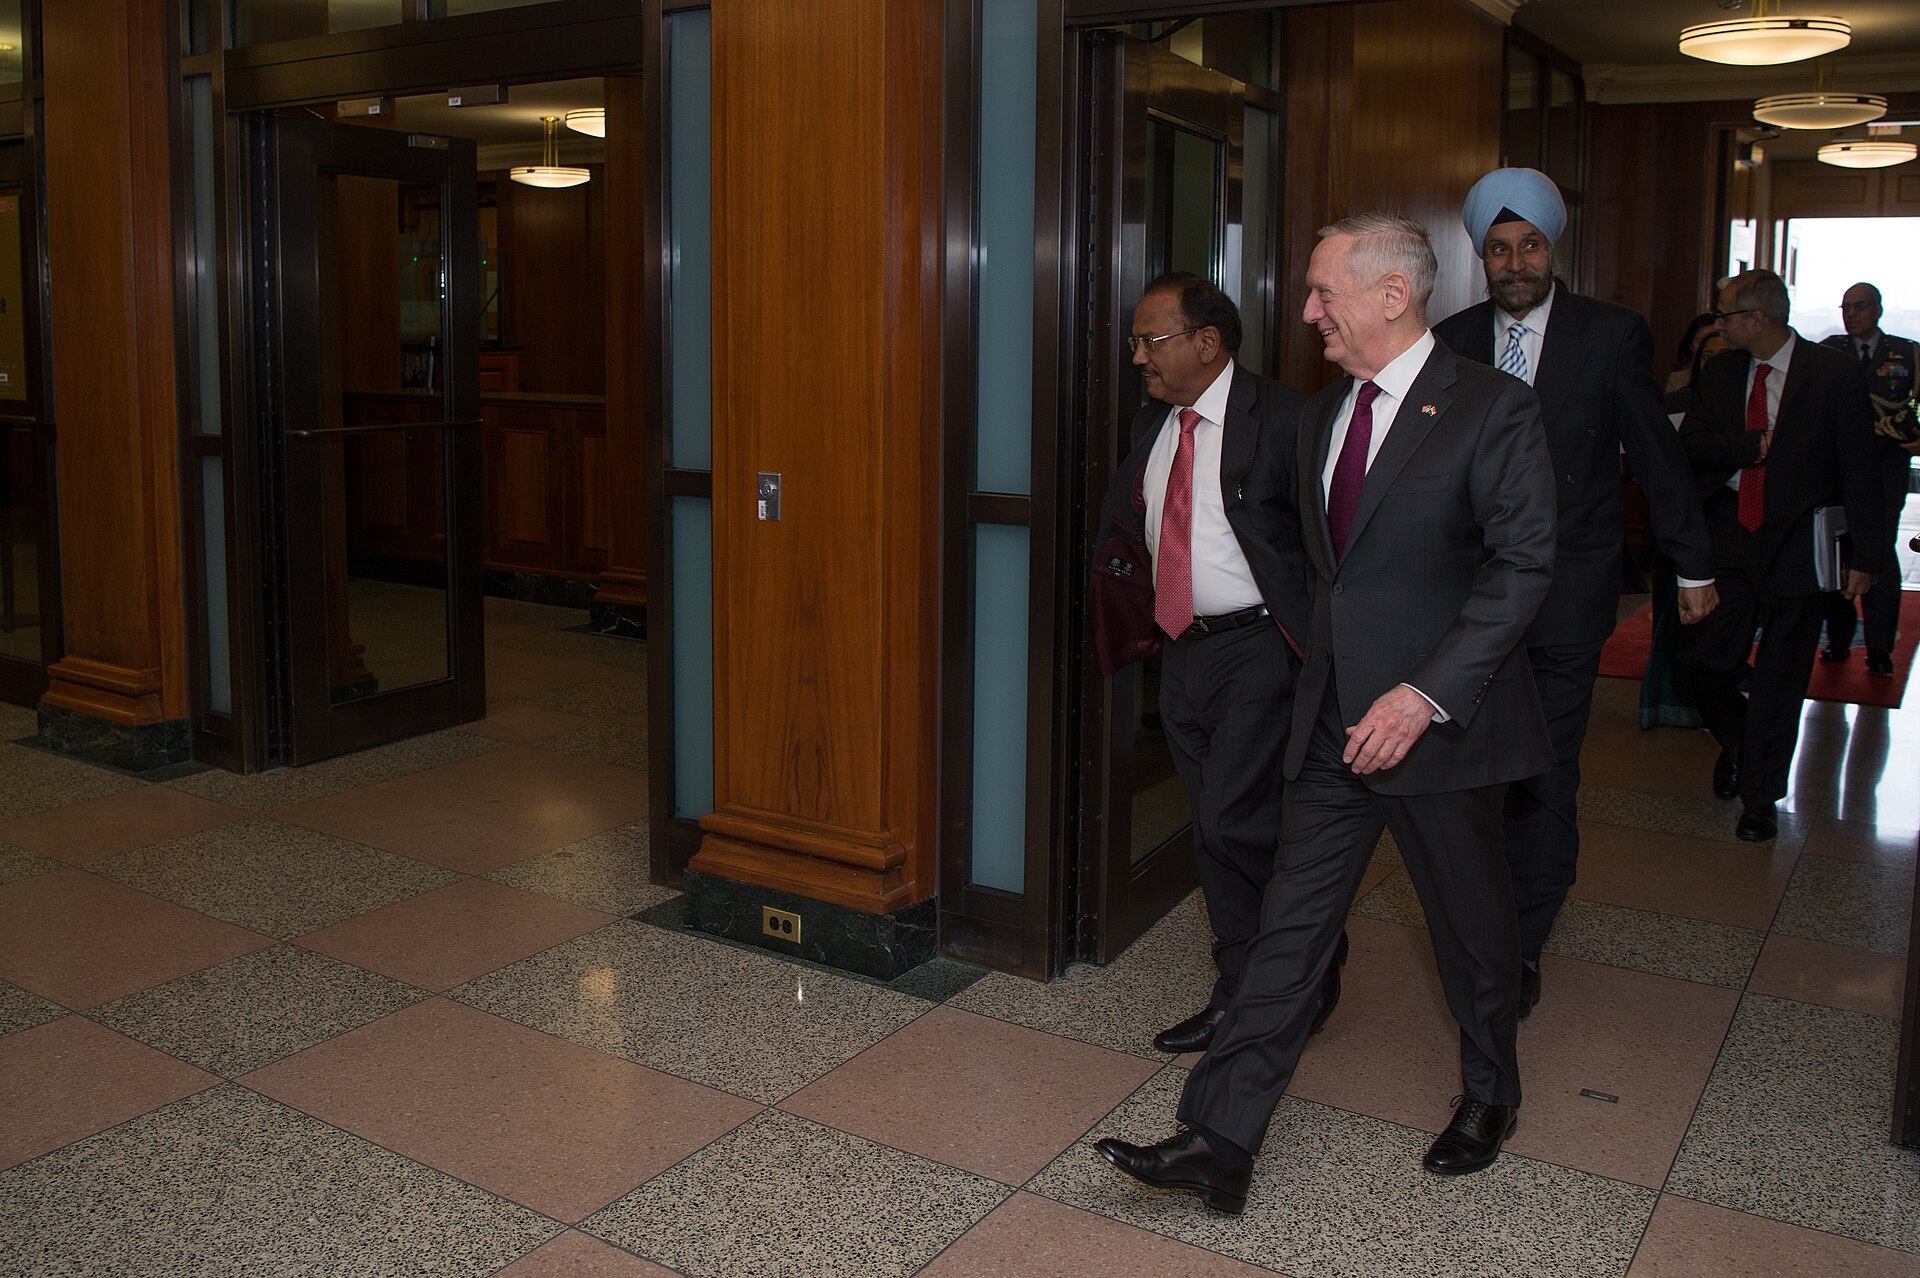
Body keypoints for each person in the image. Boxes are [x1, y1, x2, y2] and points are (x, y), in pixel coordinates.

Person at [1095, 213, 1557, 1212]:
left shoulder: (1490, 409)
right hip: (1331, 725)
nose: (1306, 313)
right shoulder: (1322, 419)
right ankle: (1217, 1135)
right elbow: (1314, 571)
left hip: (1438, 729)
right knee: (1289, 931)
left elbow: (1522, 569)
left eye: (1322, 293)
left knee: (1470, 931)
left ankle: (1491, 1094)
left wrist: (1425, 692)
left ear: (1393, 294)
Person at [1433, 167, 1717, 1018]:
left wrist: (1693, 562)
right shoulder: (1449, 338)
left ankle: (1522, 941)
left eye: (1530, 245)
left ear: (1553, 249)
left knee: (1546, 770)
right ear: (1481, 256)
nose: (1515, 262)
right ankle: (1479, 918)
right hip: (1469, 601)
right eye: (1499, 248)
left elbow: (1654, 458)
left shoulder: (1610, 333)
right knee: (1472, 774)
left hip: (1568, 589)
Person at [1089, 273, 1340, 1056]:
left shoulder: (1290, 419)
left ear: (1207, 341)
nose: (1138, 357)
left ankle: (1262, 992)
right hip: (1182, 651)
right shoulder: (1153, 421)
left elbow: (1326, 548)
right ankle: (1274, 977)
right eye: (1135, 342)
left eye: (1150, 340)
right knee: (1217, 827)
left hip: (1262, 648)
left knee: (1237, 820)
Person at [1678, 269, 1885, 843]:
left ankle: (1760, 797)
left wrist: (1866, 555)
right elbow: (1692, 445)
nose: (1716, 325)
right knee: (1703, 663)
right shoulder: (1722, 370)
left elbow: (1859, 467)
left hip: (1798, 541)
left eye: (1724, 315)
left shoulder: (1833, 373)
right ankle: (1742, 740)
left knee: (1781, 675)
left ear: (1756, 320)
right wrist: (1749, 447)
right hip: (1728, 537)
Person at [1817, 283, 1917, 673]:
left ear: (1878, 310)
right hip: (1835, 471)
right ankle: (1838, 641)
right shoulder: (1828, 350)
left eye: (1859, 307)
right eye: (1846, 307)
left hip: (1884, 469)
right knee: (1837, 553)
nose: (1852, 314)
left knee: (1877, 551)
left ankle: (1879, 650)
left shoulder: (1906, 353)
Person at [1644, 316, 1729, 730]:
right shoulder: (1674, 407)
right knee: (1679, 636)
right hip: (1678, 534)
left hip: (1728, 533)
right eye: (1706, 356)